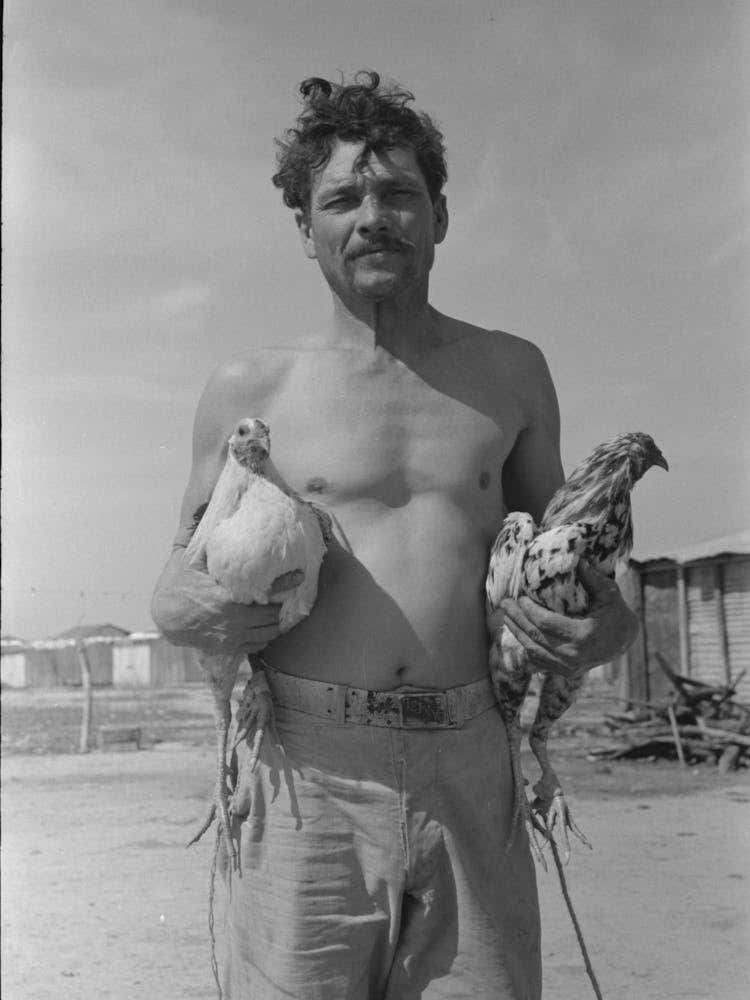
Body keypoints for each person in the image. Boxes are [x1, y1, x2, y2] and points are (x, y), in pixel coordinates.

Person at [151, 71, 638, 1000]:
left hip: (474, 760)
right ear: (305, 229)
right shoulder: (248, 388)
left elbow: (576, 559)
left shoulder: (512, 373)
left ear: (439, 215)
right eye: (342, 199)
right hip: (306, 768)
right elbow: (177, 581)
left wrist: (606, 628)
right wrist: (190, 606)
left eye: (399, 193)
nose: (373, 217)